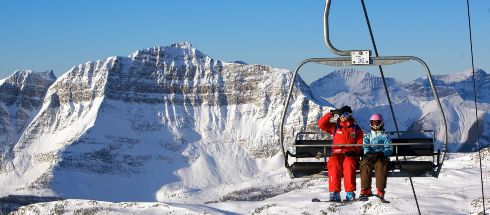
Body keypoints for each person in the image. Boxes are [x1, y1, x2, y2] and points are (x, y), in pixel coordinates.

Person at [317, 105, 363, 202]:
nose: (343, 116)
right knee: (333, 163)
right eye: (341, 114)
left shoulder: (355, 128)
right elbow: (321, 124)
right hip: (337, 153)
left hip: (349, 154)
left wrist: (354, 150)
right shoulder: (335, 127)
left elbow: (360, 141)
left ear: (349, 115)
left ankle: (350, 193)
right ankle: (335, 192)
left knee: (349, 164)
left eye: (345, 114)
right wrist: (331, 114)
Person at [360, 113, 393, 199]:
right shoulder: (368, 136)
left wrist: (382, 153)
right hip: (370, 157)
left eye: (377, 123)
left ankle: (380, 189)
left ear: (381, 123)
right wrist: (368, 154)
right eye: (373, 123)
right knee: (364, 163)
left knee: (380, 164)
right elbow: (366, 147)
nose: (375, 125)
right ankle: (366, 188)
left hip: (381, 157)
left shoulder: (385, 136)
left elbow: (389, 148)